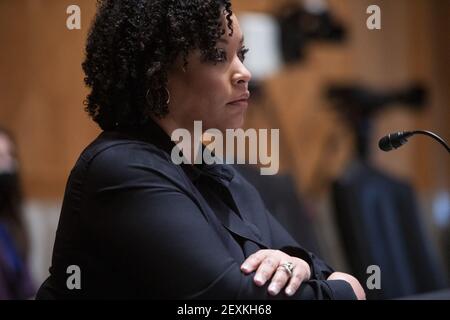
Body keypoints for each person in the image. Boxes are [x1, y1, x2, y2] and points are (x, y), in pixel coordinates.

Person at [36, 0, 365, 300]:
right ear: (157, 72)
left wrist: (299, 267)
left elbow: (310, 265)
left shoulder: (217, 172)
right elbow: (232, 303)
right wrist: (347, 291)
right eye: (219, 56)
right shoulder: (122, 169)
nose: (244, 73)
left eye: (242, 55)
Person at [0, 127, 35, 299]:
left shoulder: (11, 221)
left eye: (10, 156)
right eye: (0, 157)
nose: (8, 165)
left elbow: (26, 286)